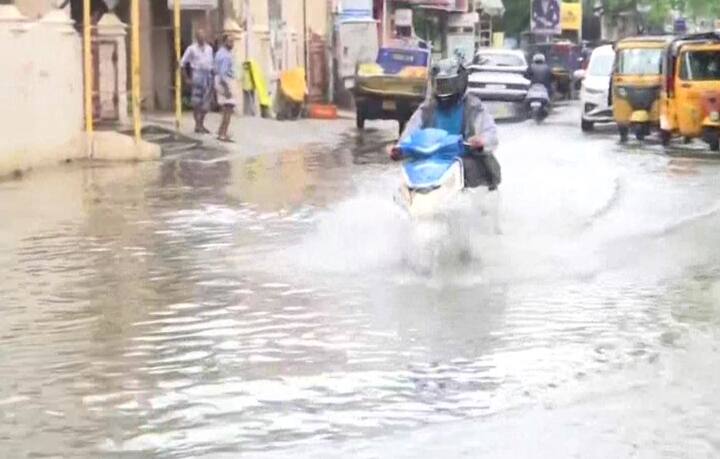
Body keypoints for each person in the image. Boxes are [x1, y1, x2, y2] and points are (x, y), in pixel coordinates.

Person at [390, 59, 501, 190]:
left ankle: (477, 205)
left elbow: (490, 132)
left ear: (460, 82)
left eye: (449, 84)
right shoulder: (427, 109)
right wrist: (399, 148)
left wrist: (481, 141)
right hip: (431, 160)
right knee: (407, 174)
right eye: (440, 84)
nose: (444, 89)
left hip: (465, 159)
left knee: (471, 169)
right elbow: (411, 131)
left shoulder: (473, 107)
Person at [180, 29, 215, 134]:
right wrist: (186, 78)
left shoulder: (209, 48)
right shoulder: (191, 49)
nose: (202, 38)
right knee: (196, 103)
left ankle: (201, 123)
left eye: (203, 36)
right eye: (200, 36)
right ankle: (198, 125)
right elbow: (182, 64)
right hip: (197, 75)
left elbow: (211, 63)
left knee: (206, 104)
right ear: (196, 38)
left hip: (208, 75)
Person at [214, 34, 238, 143]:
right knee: (228, 109)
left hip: (220, 80)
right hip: (225, 81)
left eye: (233, 41)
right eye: (229, 41)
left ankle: (221, 131)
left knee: (226, 109)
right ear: (224, 42)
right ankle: (223, 133)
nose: (232, 44)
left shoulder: (219, 53)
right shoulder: (225, 56)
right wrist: (227, 89)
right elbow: (223, 73)